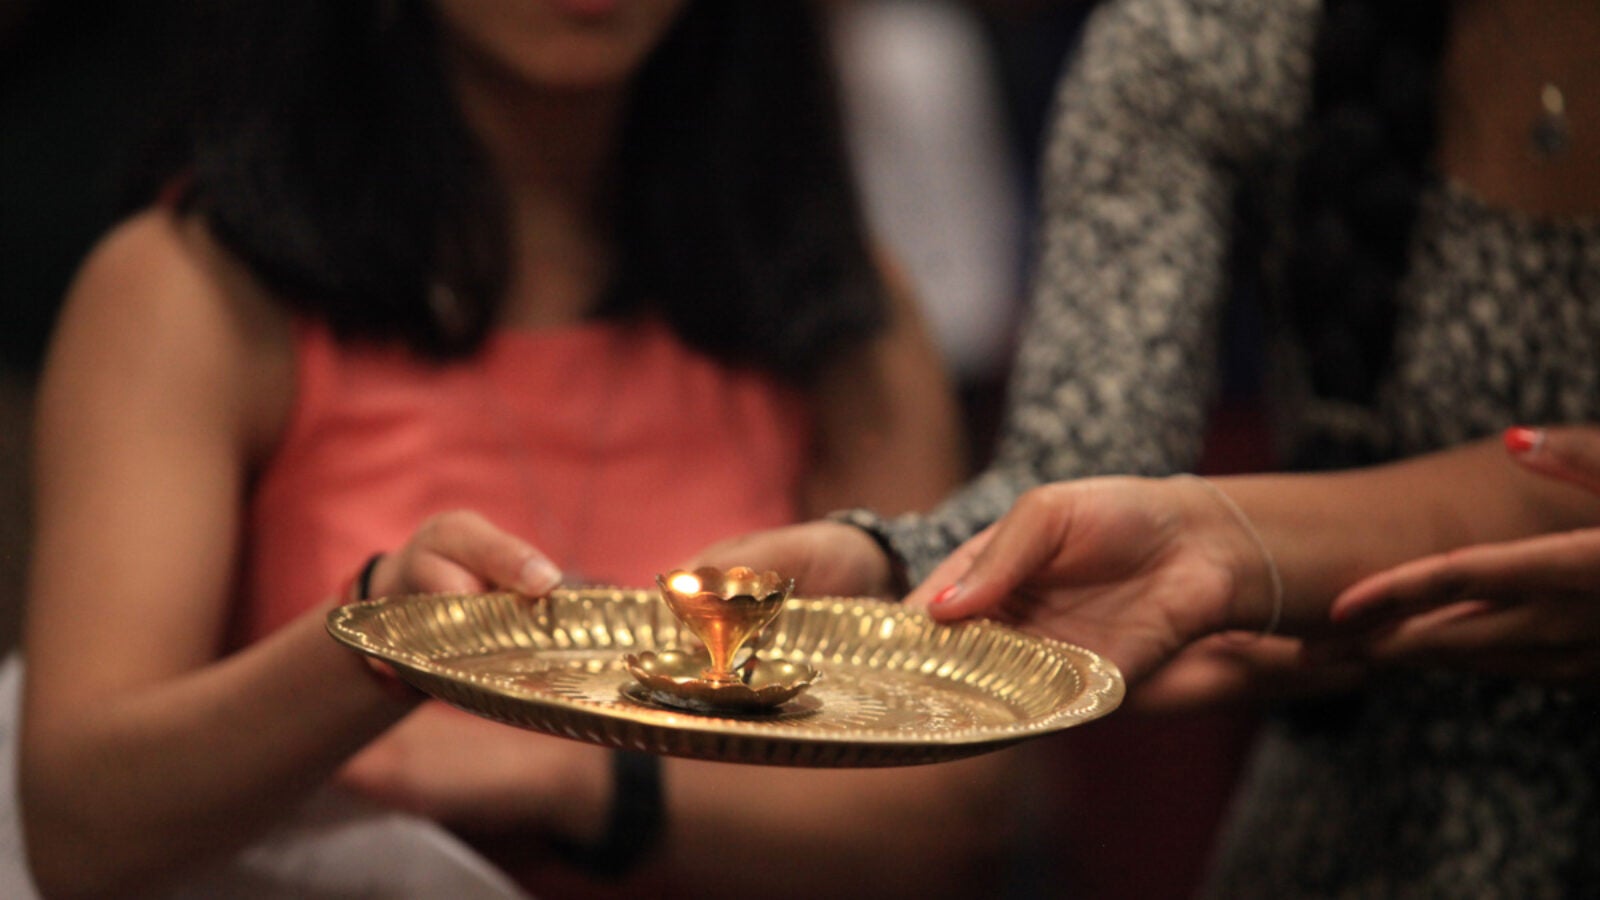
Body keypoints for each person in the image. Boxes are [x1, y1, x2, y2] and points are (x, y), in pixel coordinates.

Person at [15, 2, 1018, 897]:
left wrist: (572, 778)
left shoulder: (826, 303)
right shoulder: (194, 290)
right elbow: (80, 830)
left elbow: (945, 815)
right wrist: (377, 642)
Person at [696, 0, 1600, 895]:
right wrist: (895, 565)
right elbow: (1086, 460)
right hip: (1373, 831)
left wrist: (1225, 541)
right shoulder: (1216, 32)